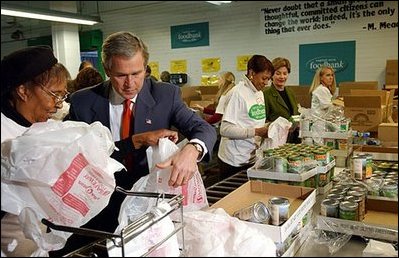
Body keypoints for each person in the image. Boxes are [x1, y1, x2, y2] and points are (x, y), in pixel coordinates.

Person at [51, 31, 217, 256]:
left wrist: (192, 149)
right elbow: (72, 158)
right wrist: (133, 142)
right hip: (98, 207)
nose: (130, 83)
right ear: (107, 69)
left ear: (146, 67)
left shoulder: (165, 95)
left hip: (148, 206)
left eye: (137, 73)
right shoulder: (83, 102)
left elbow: (204, 129)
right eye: (121, 75)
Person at [1, 45, 70, 257]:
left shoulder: (40, 126)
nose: (58, 105)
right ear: (23, 91)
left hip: (36, 242)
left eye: (63, 95)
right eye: (54, 95)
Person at [217, 55, 274, 180]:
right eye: (264, 78)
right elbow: (225, 129)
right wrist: (257, 132)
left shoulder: (259, 93)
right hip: (233, 161)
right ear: (252, 73)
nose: (266, 83)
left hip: (251, 157)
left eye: (268, 79)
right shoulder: (237, 93)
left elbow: (252, 122)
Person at [263, 57, 300, 143]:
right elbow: (263, 121)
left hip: (294, 138)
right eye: (278, 73)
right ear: (271, 75)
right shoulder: (266, 94)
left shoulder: (290, 92)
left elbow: (296, 113)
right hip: (277, 139)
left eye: (285, 73)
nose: (282, 77)